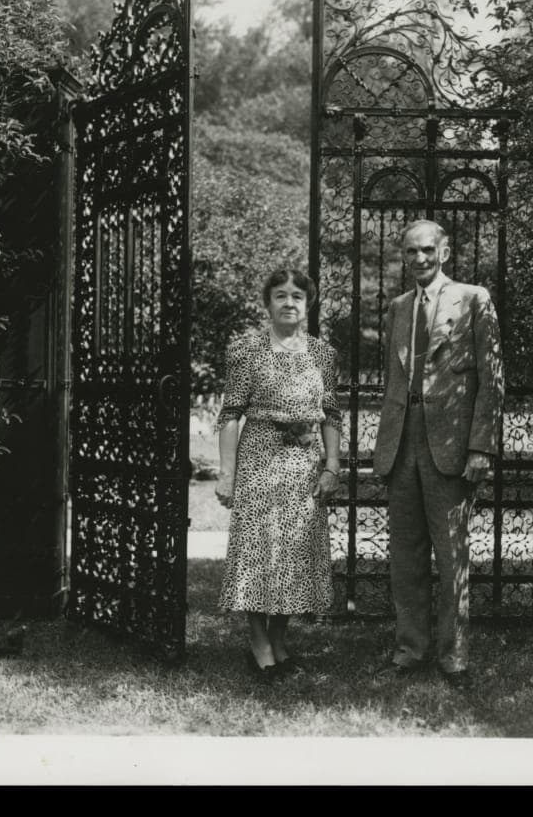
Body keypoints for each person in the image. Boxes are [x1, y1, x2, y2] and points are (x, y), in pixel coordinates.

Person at [373, 219, 504, 689]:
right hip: (402, 447)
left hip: (450, 449)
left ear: (444, 252)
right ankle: (410, 649)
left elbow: (492, 381)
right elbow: (394, 384)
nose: (419, 259)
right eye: (410, 252)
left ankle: (453, 658)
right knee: (405, 558)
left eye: (427, 250)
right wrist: (383, 448)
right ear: (403, 256)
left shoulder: (474, 299)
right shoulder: (398, 308)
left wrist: (481, 447)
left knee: (452, 558)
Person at [213, 268, 342, 682]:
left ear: (309, 303)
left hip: (303, 465)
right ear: (267, 303)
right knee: (256, 550)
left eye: (298, 297)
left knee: (295, 552)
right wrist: (227, 475)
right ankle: (258, 643)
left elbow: (332, 414)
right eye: (281, 296)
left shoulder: (323, 354)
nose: (290, 303)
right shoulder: (246, 350)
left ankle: (279, 639)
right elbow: (231, 414)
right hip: (259, 461)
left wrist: (332, 466)